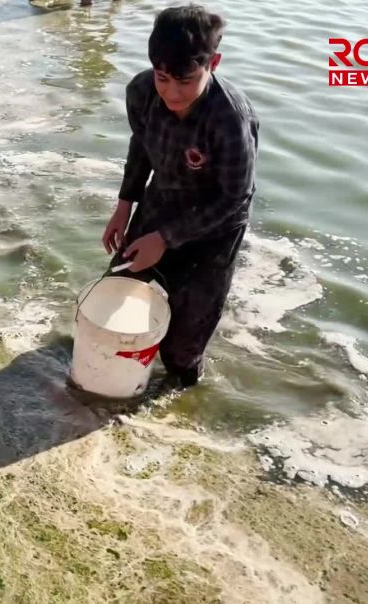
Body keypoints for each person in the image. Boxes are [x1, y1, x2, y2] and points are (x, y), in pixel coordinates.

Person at [102, 4, 259, 388]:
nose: (172, 92)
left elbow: (234, 198)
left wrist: (166, 239)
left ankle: (181, 393)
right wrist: (124, 206)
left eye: (185, 81)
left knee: (182, 349)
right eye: (162, 77)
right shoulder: (141, 92)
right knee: (118, 300)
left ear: (214, 63)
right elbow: (141, 147)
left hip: (215, 225)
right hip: (163, 200)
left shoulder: (229, 118)